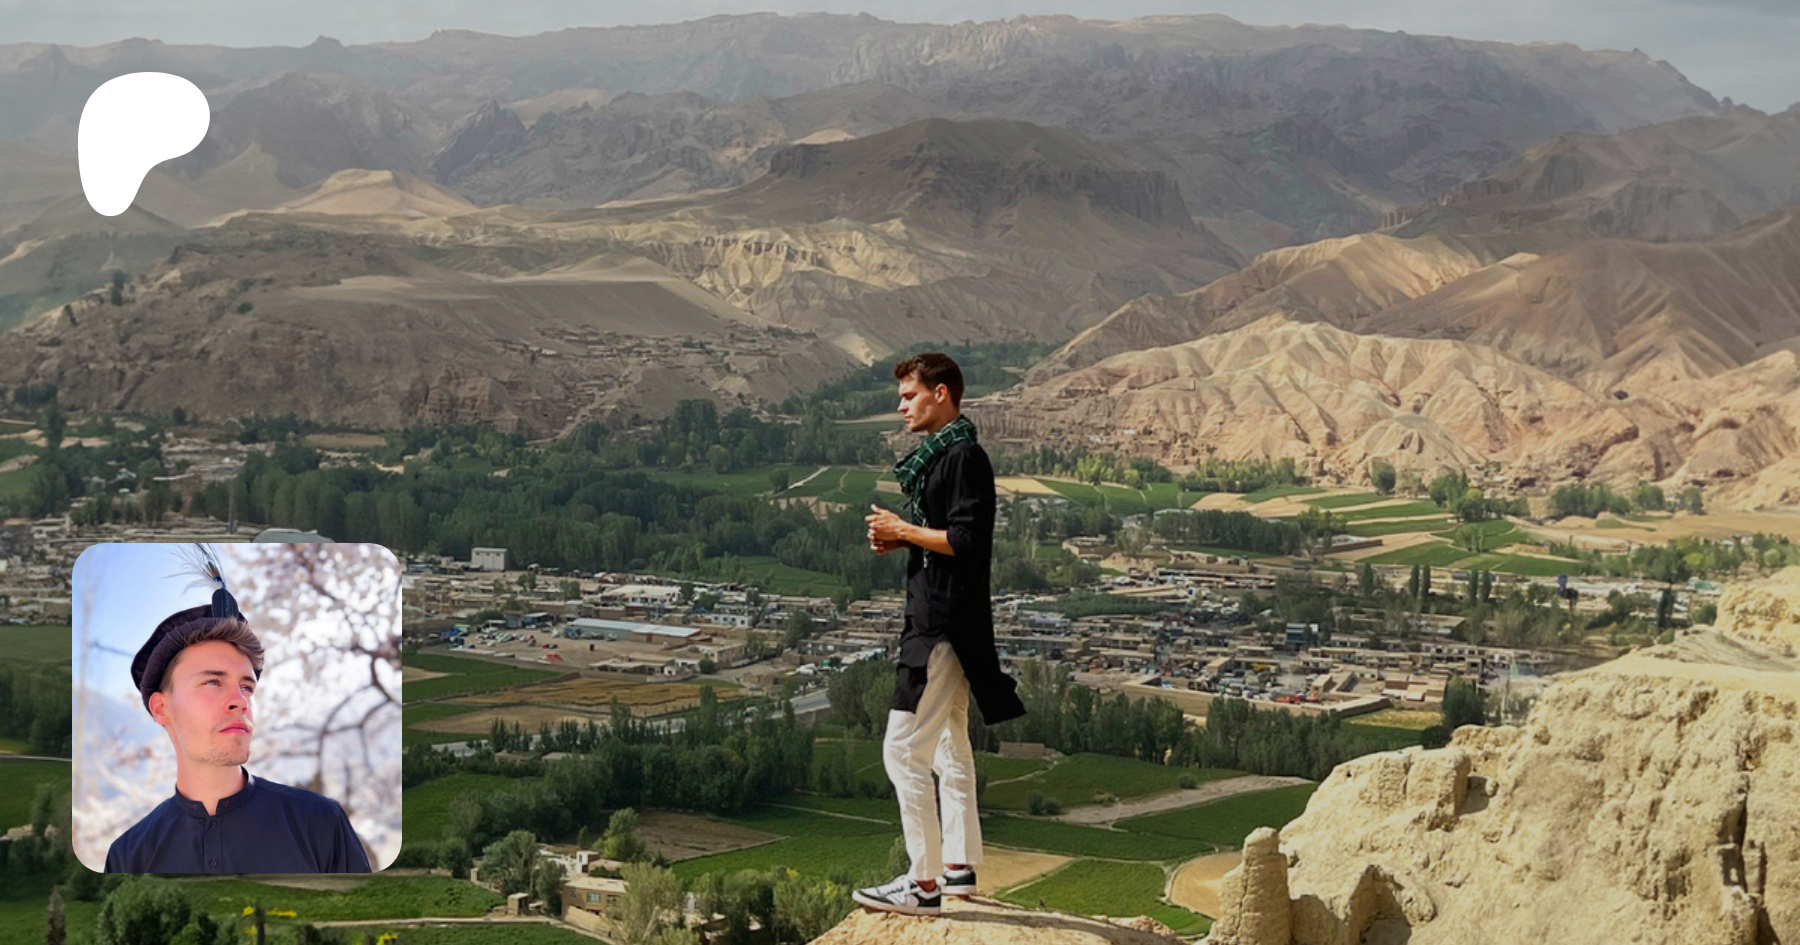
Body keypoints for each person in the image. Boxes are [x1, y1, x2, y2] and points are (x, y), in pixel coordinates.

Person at [855, 352, 1026, 916]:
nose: (902, 407)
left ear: (942, 393)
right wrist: (901, 539)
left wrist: (905, 530)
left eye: (910, 395)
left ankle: (922, 884)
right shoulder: (943, 456)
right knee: (950, 746)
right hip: (950, 620)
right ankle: (957, 867)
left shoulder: (963, 457)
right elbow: (945, 537)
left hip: (940, 627)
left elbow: (967, 540)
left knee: (902, 751)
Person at [104, 545, 373, 873]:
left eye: (246, 686)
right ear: (161, 708)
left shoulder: (319, 823)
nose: (240, 700)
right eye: (213, 682)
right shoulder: (128, 856)